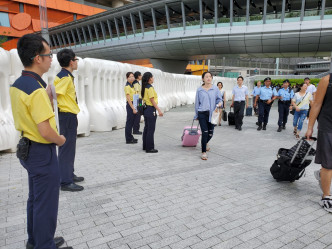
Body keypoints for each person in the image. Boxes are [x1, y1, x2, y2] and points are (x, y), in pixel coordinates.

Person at [9, 34, 72, 249]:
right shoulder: (36, 89)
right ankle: (44, 245)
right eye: (49, 54)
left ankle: (37, 240)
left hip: (27, 149)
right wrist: (61, 140)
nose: (51, 58)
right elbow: (45, 130)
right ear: (38, 58)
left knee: (36, 199)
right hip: (41, 151)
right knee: (46, 203)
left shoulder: (20, 83)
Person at [54, 49, 84, 192]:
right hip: (66, 116)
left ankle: (68, 174)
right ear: (71, 62)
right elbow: (53, 94)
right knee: (66, 148)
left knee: (69, 148)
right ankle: (65, 181)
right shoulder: (65, 78)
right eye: (76, 59)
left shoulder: (65, 76)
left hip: (68, 116)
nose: (77, 62)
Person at [306, 73, 332, 213]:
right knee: (328, 163)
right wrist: (310, 127)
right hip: (328, 125)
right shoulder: (327, 80)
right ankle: (326, 196)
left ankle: (321, 175)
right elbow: (317, 104)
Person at [194, 72, 223, 160]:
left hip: (212, 114)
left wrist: (219, 104)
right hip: (202, 113)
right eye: (206, 77)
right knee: (205, 132)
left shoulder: (215, 89)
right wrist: (196, 115)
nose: (208, 78)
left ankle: (205, 142)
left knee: (211, 133)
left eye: (210, 76)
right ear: (203, 79)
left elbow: (220, 99)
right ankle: (203, 152)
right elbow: (197, 103)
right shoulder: (199, 90)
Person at [141, 72, 163, 153]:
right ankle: (149, 148)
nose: (153, 78)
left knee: (146, 128)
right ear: (150, 78)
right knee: (150, 129)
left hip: (146, 110)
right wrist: (159, 110)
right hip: (150, 110)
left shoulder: (145, 87)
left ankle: (145, 146)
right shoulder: (149, 88)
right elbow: (152, 100)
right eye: (152, 77)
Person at [124, 72, 138, 144]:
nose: (132, 78)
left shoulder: (132, 86)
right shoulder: (127, 87)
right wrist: (133, 108)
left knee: (132, 122)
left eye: (133, 76)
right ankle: (128, 139)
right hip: (130, 105)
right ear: (127, 78)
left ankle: (130, 136)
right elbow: (128, 98)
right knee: (129, 122)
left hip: (134, 104)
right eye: (130, 77)